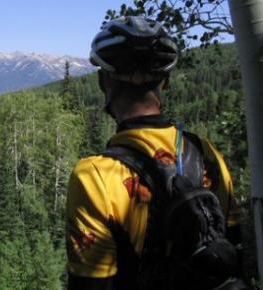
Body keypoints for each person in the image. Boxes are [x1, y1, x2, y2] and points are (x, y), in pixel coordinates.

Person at [66, 16, 244, 290]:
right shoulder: (206, 152)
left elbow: (89, 284)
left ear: (103, 83)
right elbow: (232, 244)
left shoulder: (94, 176)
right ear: (166, 82)